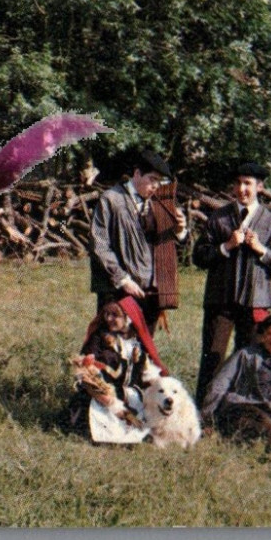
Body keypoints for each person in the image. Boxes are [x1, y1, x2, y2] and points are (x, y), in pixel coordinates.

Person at [191, 161, 271, 405]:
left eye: (247, 183)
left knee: (251, 357)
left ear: (260, 187)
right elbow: (199, 256)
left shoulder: (270, 221)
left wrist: (262, 250)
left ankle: (241, 408)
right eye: (237, 183)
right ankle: (205, 411)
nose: (242, 189)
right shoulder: (219, 217)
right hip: (220, 301)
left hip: (255, 302)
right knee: (213, 357)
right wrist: (225, 246)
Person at [88, 148, 185, 330]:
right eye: (152, 179)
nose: (156, 186)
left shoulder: (160, 204)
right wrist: (123, 280)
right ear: (137, 173)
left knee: (143, 349)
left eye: (160, 181)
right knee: (113, 347)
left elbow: (168, 247)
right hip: (116, 289)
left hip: (149, 291)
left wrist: (179, 230)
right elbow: (99, 245)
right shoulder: (111, 199)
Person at [66, 299, 164, 442]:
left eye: (114, 315)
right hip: (101, 396)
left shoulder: (137, 340)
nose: (108, 319)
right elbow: (84, 371)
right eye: (106, 314)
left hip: (130, 398)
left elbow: (147, 372)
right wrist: (110, 401)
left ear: (128, 317)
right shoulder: (98, 337)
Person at [200, 318, 271, 443]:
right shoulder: (246, 355)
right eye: (270, 334)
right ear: (263, 336)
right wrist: (206, 418)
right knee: (261, 425)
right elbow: (219, 385)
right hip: (242, 407)